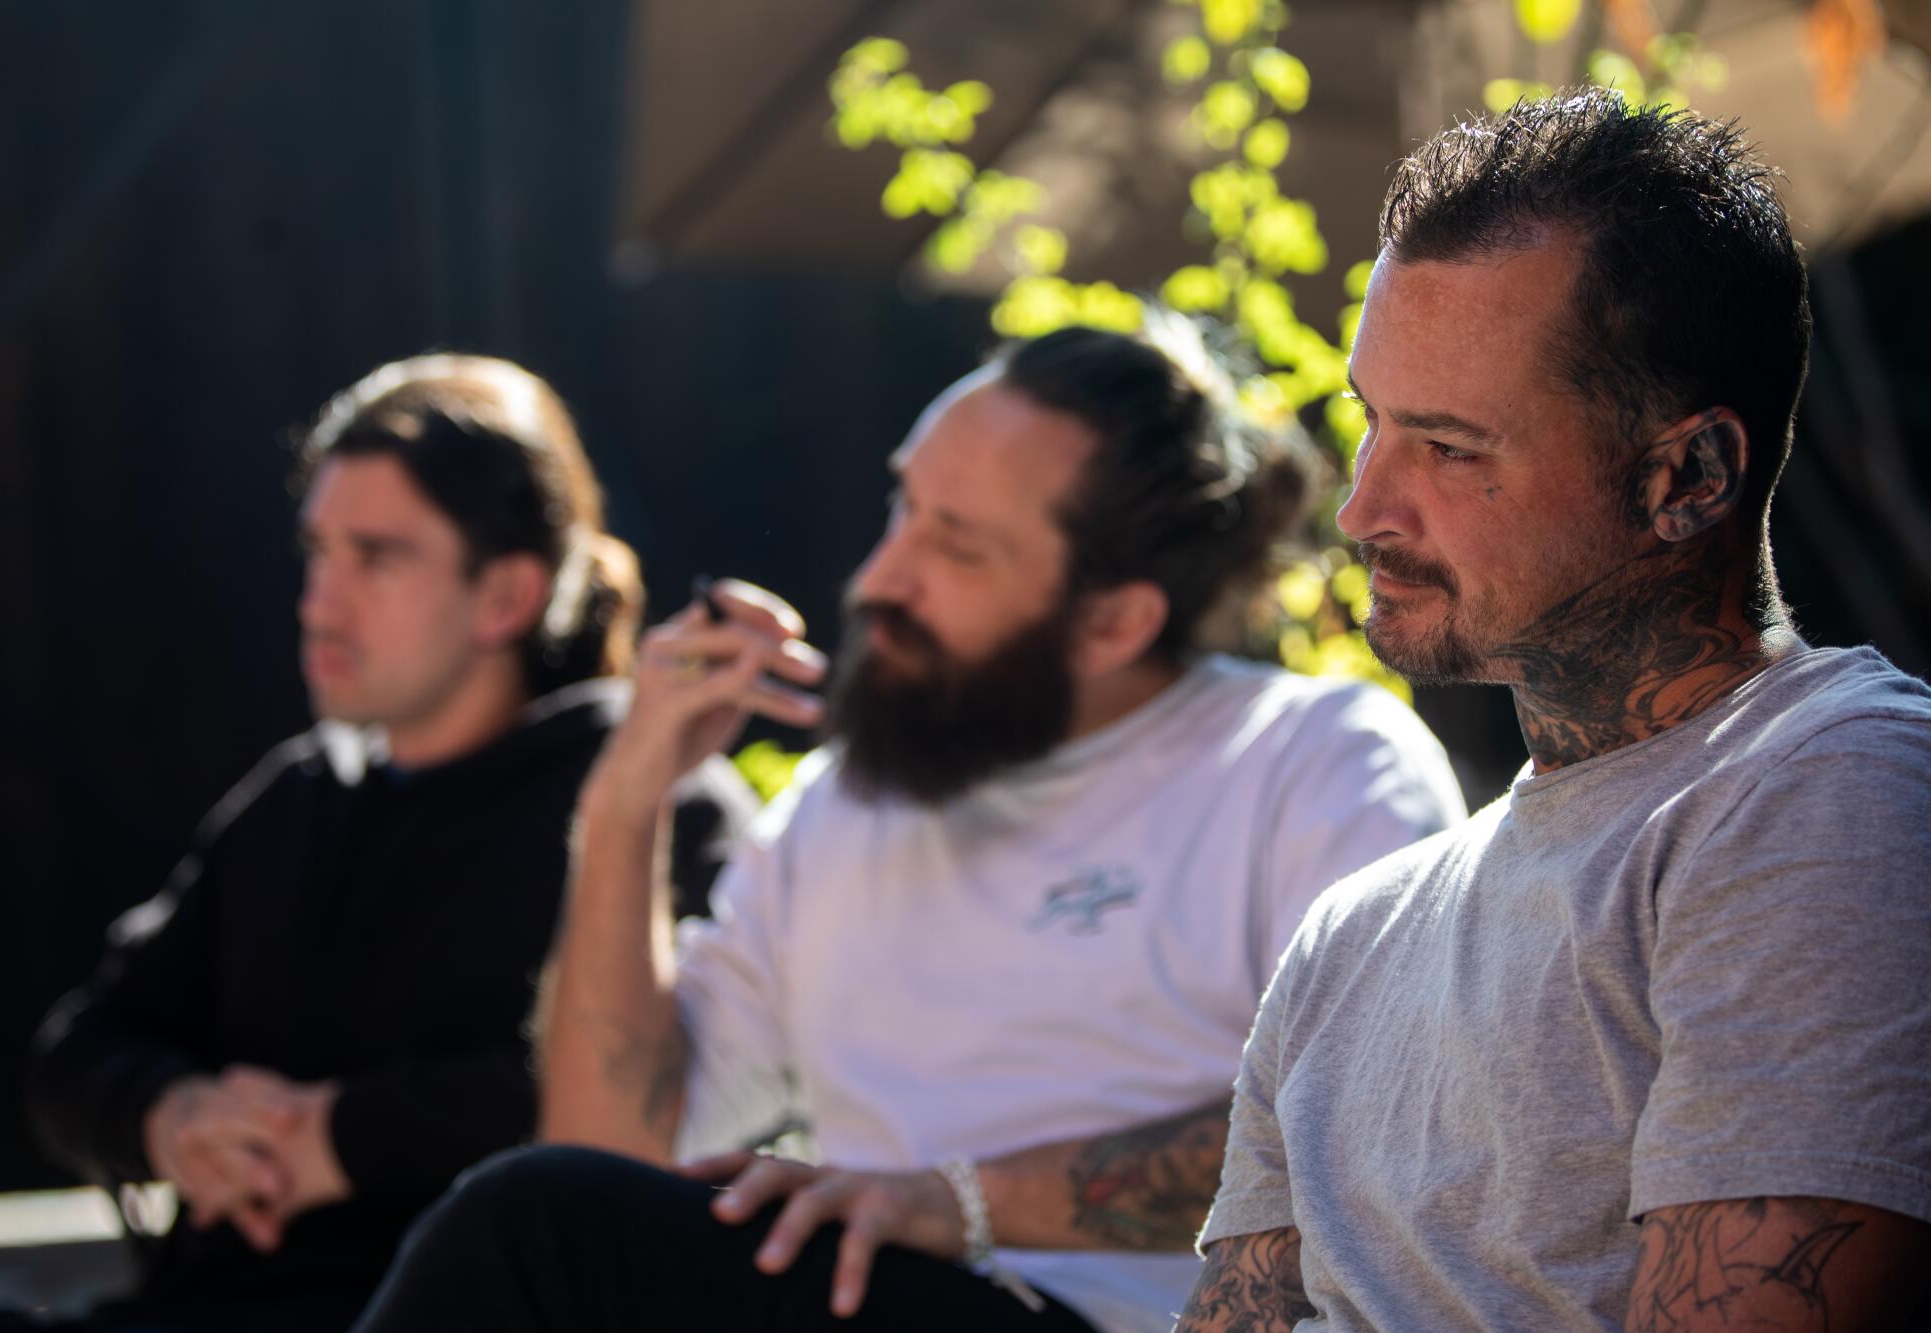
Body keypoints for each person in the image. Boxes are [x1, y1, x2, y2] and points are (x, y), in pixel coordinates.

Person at [349, 316, 1467, 1333]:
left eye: (957, 547)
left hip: (1134, 1321)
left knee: (528, 1229)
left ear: (1113, 619)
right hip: (857, 1300)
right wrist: (622, 798)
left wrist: (959, 1203)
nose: (882, 575)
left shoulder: (1312, 760)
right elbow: (610, 1145)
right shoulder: (842, 807)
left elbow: (1361, 1138)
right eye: (904, 507)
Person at [1182, 92, 1931, 1333]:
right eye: (1371, 422)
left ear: (1683, 478)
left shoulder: (1826, 789)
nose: (1361, 507)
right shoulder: (1350, 933)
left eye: (1449, 448)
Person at [17, 356, 755, 1332]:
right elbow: (81, 1046)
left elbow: (661, 1094)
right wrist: (174, 1116)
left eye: (375, 557)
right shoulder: (299, 800)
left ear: (504, 596)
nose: (319, 600)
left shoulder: (652, 799)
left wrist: (342, 1138)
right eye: (317, 552)